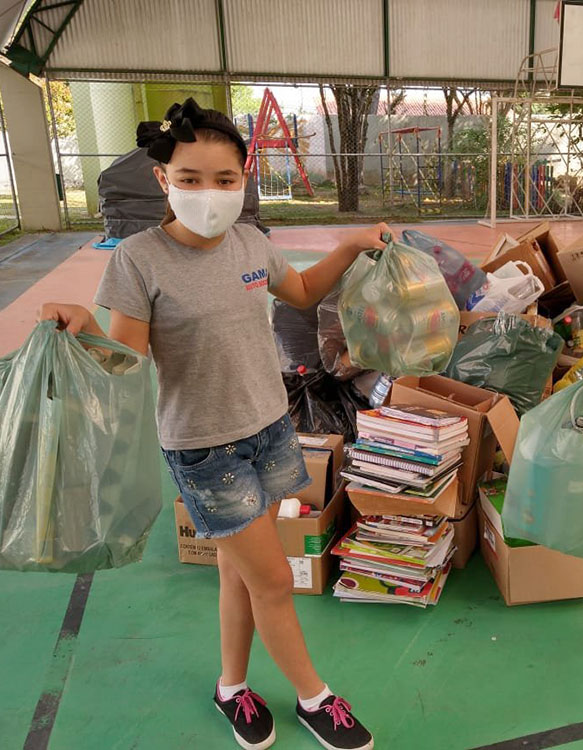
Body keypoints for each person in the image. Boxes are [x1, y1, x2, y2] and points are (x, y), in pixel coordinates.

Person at [39, 99, 379, 750]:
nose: (208, 192)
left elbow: (303, 293)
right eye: (189, 178)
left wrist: (352, 245)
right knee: (276, 580)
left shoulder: (251, 242)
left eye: (224, 179)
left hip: (271, 430)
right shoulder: (138, 261)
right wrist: (82, 330)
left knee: (239, 573)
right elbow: (127, 362)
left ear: (243, 178)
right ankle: (316, 699)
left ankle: (231, 686)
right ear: (162, 179)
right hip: (204, 450)